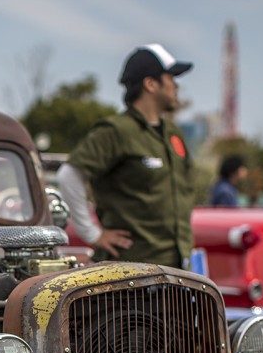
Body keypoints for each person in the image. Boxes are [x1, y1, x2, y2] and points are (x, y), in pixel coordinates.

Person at [66, 43, 195, 266]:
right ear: (151, 84)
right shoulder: (117, 130)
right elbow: (69, 175)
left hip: (176, 267)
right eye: (170, 78)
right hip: (131, 271)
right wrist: (92, 234)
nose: (176, 85)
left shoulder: (173, 133)